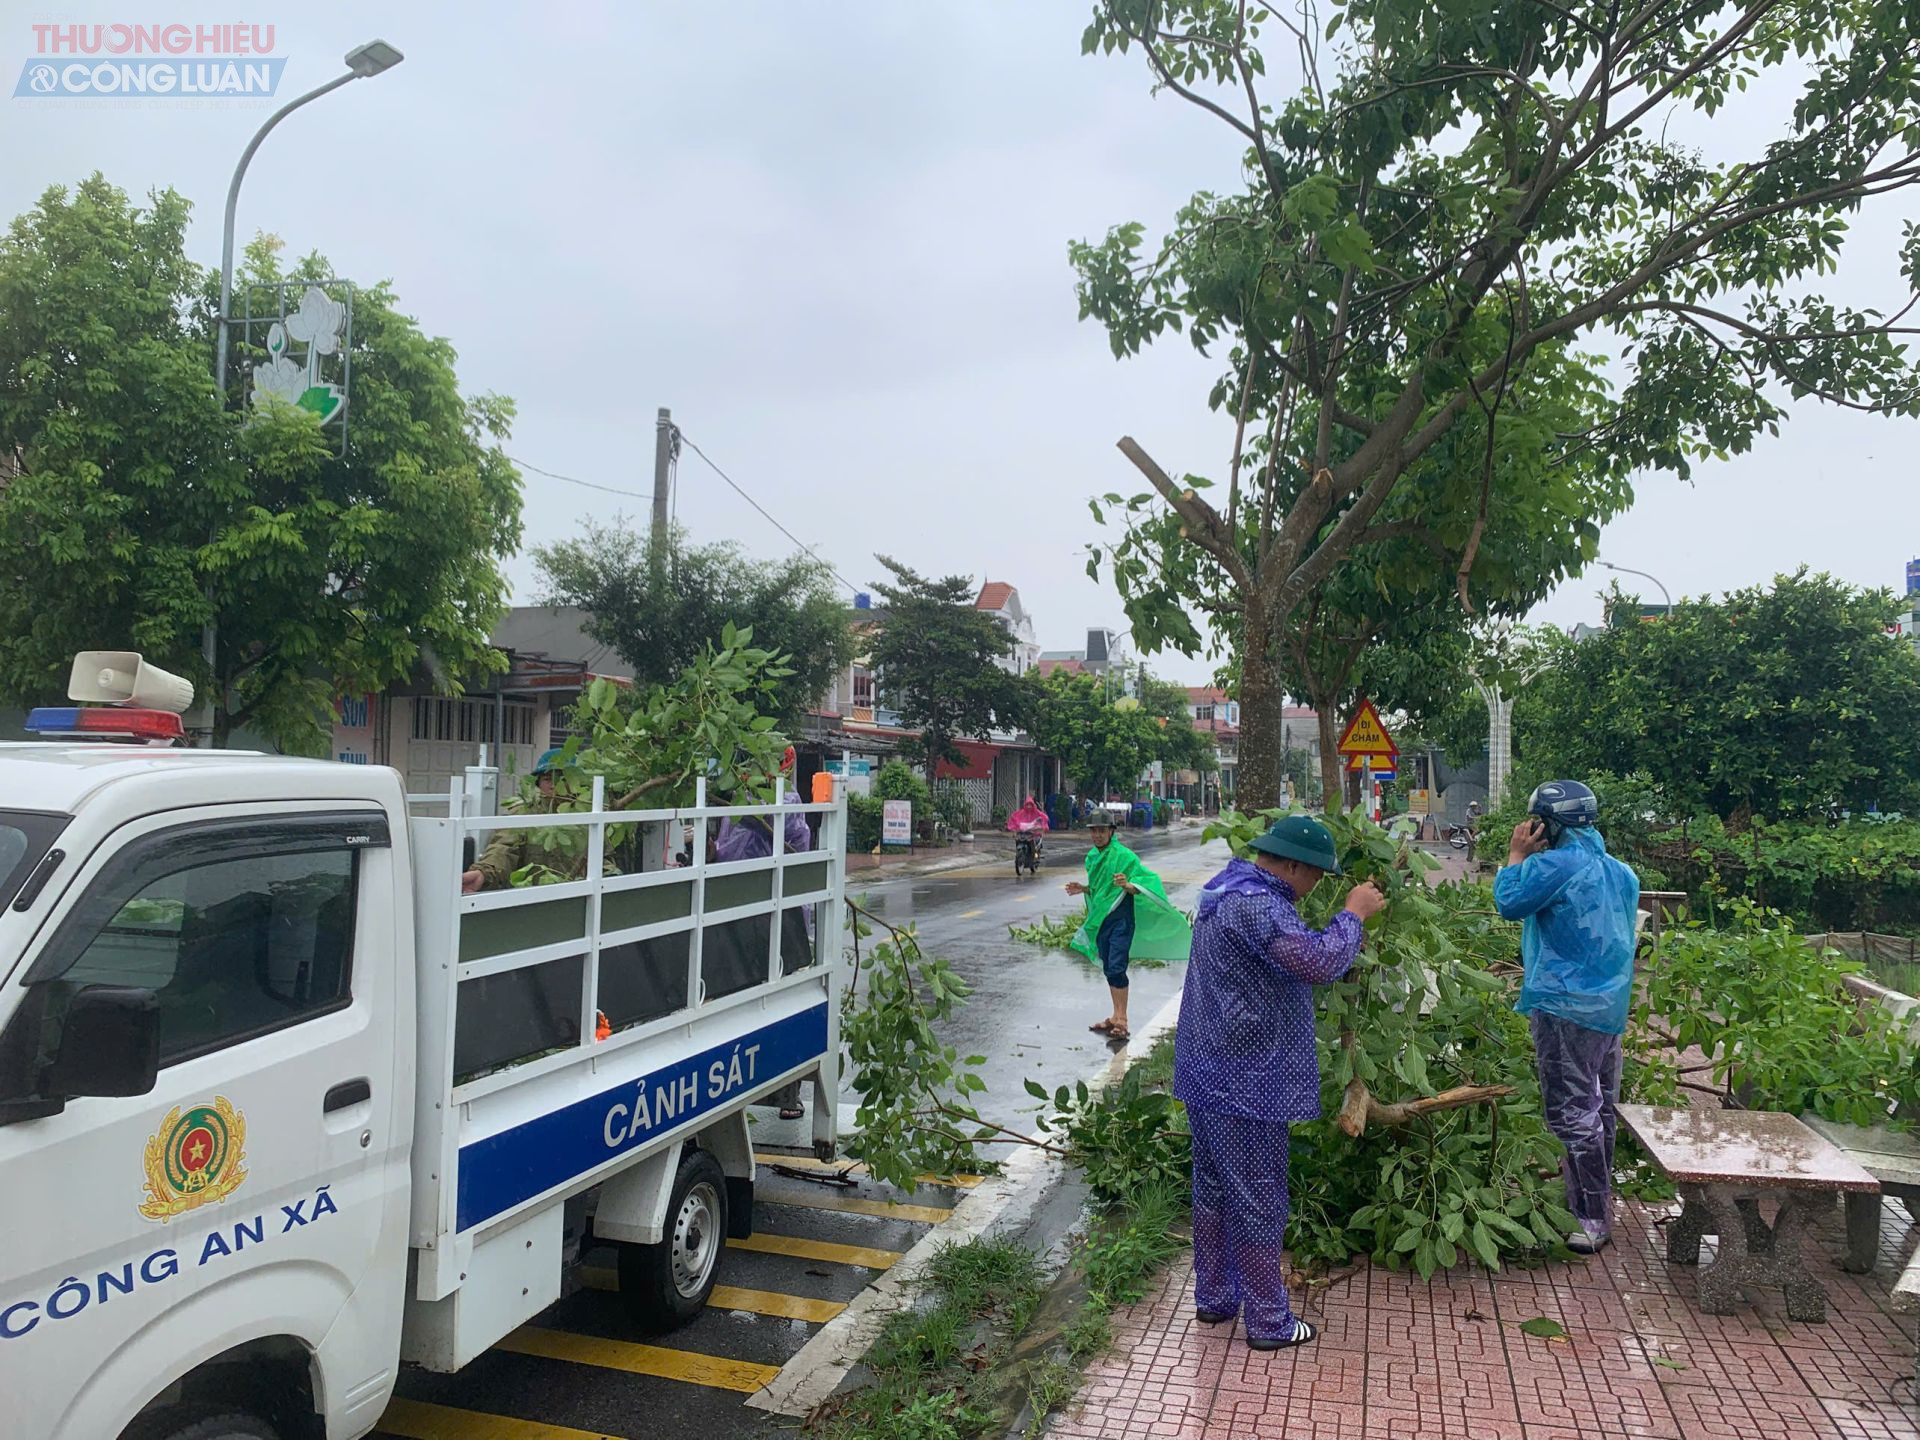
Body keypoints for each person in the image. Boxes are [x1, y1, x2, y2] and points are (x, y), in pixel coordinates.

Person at [1173, 815, 1385, 1350]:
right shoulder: (1260, 906)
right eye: (1315, 875)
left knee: (1215, 1190)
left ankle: (1216, 1298)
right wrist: (1353, 916)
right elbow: (1317, 962)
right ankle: (1269, 1323)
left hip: (1207, 1072)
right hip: (1246, 1083)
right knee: (1259, 1198)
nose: (1317, 885)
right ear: (1291, 865)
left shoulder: (1226, 889)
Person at [1494, 779, 1640, 1255]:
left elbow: (1509, 903)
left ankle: (1590, 1217)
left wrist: (1516, 855)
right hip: (1609, 1008)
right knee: (1602, 1109)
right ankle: (1596, 1204)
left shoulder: (1554, 865)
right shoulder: (1621, 872)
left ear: (1549, 824)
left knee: (1571, 1112)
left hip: (1563, 1005)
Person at [716, 747, 813, 1120]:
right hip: (741, 912)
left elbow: (761, 821)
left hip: (780, 917)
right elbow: (729, 847)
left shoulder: (785, 800)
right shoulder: (743, 799)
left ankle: (790, 1093)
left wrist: (728, 790)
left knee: (783, 1004)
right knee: (741, 1003)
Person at [1065, 812, 1164, 1041]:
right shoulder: (1091, 857)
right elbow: (1100, 889)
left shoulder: (1125, 857)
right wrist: (1084, 888)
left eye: (1102, 830)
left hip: (1121, 919)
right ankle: (1115, 1015)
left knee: (1117, 966)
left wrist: (1127, 884)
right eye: (1094, 830)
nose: (1097, 835)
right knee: (1110, 966)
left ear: (1111, 831)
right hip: (1102, 921)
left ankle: (1122, 1020)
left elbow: (1145, 884)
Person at [462, 750, 584, 893]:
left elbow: (604, 857)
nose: (553, 785)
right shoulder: (524, 812)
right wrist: (484, 873)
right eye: (547, 779)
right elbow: (504, 848)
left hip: (579, 896)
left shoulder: (587, 813)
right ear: (537, 783)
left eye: (562, 778)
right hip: (531, 898)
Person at [1007, 793, 1049, 861]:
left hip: (1034, 834)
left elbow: (1044, 818)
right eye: (1027, 805)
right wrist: (1014, 828)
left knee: (1036, 843)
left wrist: (1041, 827)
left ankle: (1035, 856)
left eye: (1030, 805)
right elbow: (1014, 818)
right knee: (1018, 839)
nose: (1029, 806)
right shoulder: (1021, 813)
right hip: (1023, 833)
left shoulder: (1037, 812)